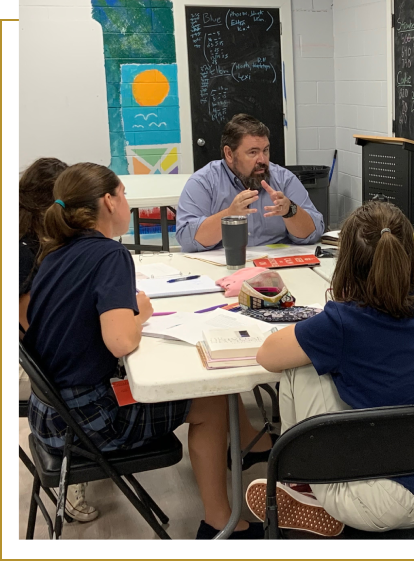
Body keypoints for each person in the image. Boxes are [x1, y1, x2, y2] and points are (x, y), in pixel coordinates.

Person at [24, 163, 263, 540]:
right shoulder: (109, 255)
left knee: (198, 390)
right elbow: (120, 341)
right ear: (109, 200)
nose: (127, 202)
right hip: (84, 421)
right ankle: (222, 524)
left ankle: (229, 495)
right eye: (123, 194)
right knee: (213, 400)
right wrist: (142, 313)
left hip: (48, 416)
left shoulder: (56, 253)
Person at [246, 201, 414, 535]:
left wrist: (319, 325)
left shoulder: (341, 324)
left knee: (301, 365)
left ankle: (302, 483)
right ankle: (313, 487)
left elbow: (267, 355)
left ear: (345, 262)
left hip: (374, 504)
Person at [18, 157, 101, 523]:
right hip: (51, 373)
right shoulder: (25, 250)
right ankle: (81, 464)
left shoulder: (36, 237)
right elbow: (32, 326)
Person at [176, 113, 325, 252]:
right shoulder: (204, 182)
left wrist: (290, 210)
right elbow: (186, 239)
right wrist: (230, 214)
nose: (262, 160)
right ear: (229, 154)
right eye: (253, 152)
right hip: (224, 266)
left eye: (265, 150)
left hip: (276, 264)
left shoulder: (283, 179)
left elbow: (315, 232)